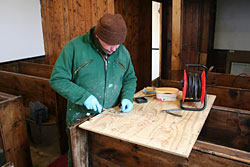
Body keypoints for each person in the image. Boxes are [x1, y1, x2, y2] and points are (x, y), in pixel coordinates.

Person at [49, 13, 137, 166]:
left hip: (111, 117)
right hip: (80, 118)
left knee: (107, 158)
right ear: (98, 35)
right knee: (79, 159)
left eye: (118, 44)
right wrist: (84, 97)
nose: (114, 48)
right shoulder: (75, 48)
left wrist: (127, 97)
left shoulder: (122, 52)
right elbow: (57, 80)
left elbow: (130, 78)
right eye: (110, 44)